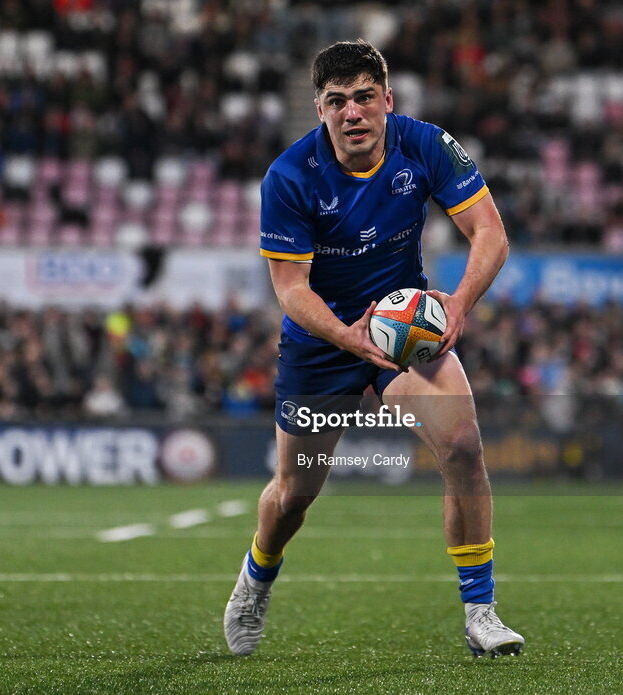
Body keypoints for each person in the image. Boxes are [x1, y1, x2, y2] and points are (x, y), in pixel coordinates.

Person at [224, 40, 523, 658]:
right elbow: (290, 289)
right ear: (319, 110)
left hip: (404, 328)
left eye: (364, 97)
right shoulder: (288, 177)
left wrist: (459, 305)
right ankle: (257, 575)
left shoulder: (426, 144)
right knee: (294, 496)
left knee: (463, 447)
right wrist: (347, 335)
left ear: (387, 101)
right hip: (320, 342)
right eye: (337, 102)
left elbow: (489, 232)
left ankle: (481, 610)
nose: (352, 113)